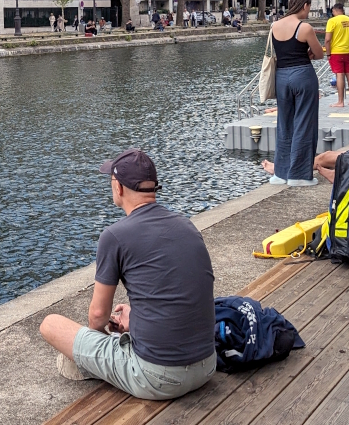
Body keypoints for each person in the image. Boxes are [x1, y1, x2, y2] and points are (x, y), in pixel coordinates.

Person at [39, 149, 216, 400]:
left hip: (158, 379)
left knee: (51, 325)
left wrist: (96, 341)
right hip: (207, 366)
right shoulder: (186, 225)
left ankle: (94, 366)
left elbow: (98, 316)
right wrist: (137, 320)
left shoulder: (114, 236)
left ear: (118, 187)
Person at [269, 0, 325, 187]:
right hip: (302, 75)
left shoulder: (274, 25)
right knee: (304, 123)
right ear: (304, 6)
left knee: (284, 124)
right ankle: (299, 175)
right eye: (308, 8)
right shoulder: (305, 27)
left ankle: (281, 173)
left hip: (281, 77)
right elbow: (319, 54)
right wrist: (309, 53)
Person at [324, 3, 349, 108]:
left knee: (339, 75)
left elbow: (327, 39)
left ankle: (340, 101)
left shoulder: (332, 21)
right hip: (348, 51)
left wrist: (328, 53)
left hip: (336, 52)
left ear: (334, 10)